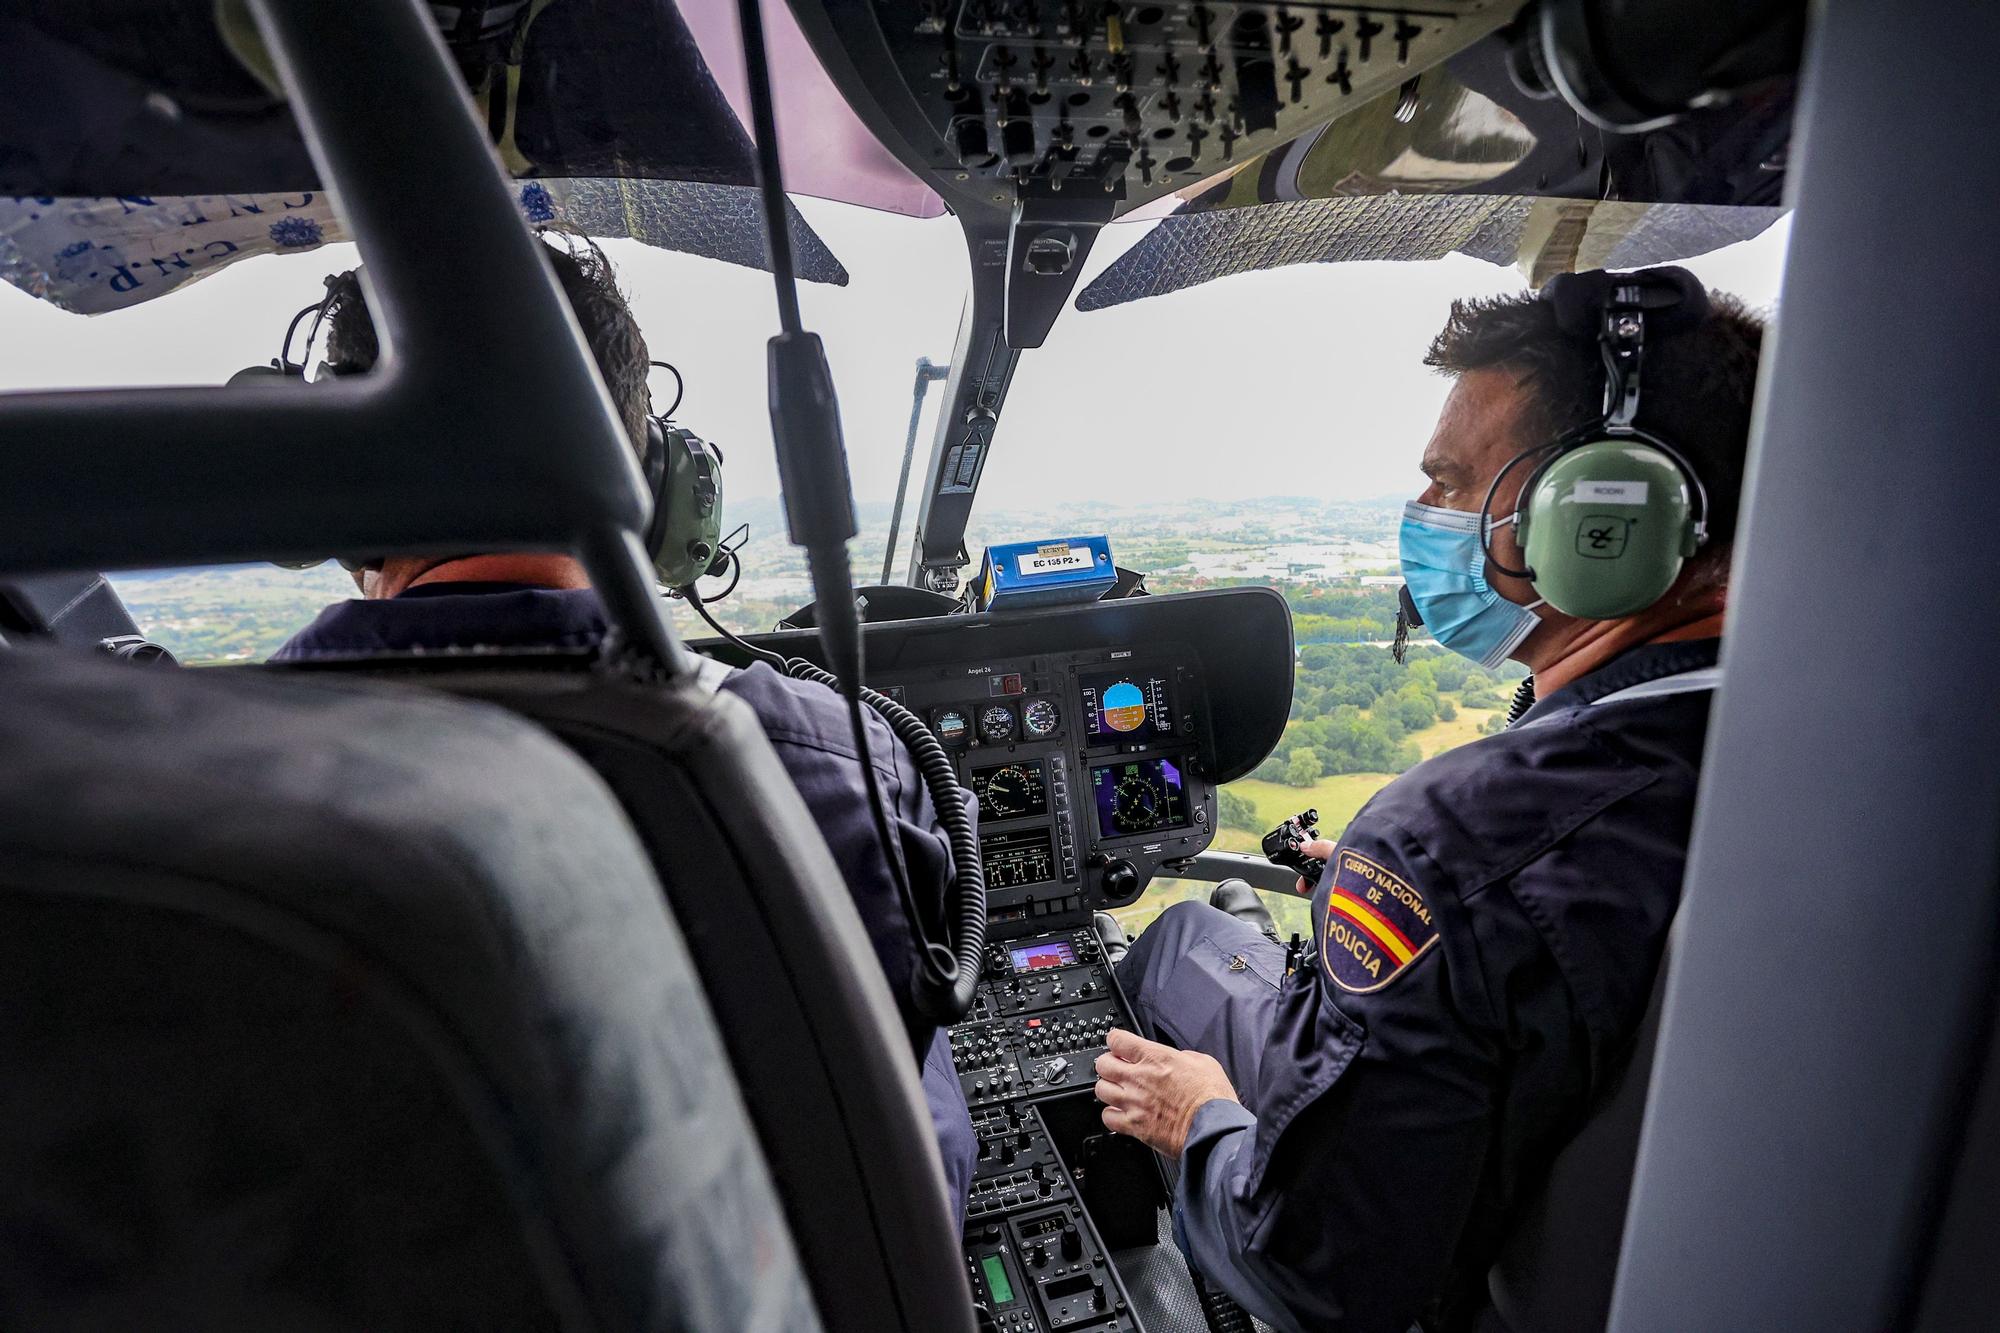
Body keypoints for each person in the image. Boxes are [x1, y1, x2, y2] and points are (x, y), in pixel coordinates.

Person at [1096, 268, 1764, 1332]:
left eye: (1452, 482)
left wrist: (1195, 1120)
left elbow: (1318, 1273)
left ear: (1607, 512)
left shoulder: (1441, 843)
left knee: (1180, 939)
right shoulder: (1824, 751)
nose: (1424, 517)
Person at [268, 240, 977, 1224]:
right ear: (651, 483)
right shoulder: (832, 763)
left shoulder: (200, 794)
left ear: (337, 488)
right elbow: (909, 1153)